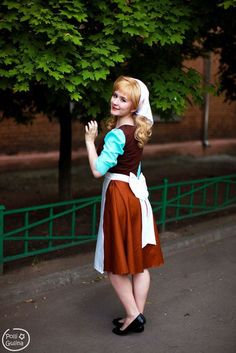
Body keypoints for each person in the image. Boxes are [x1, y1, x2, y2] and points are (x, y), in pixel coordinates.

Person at [85, 76, 164, 336]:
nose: (115, 101)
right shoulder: (137, 131)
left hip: (119, 195)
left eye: (123, 99)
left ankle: (132, 314)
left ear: (134, 105)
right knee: (138, 262)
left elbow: (98, 170)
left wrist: (89, 141)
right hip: (135, 196)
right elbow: (136, 167)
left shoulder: (117, 135)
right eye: (115, 95)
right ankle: (136, 317)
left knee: (115, 263)